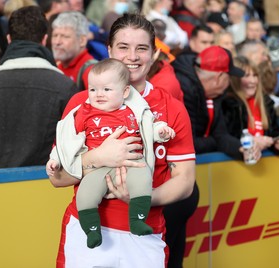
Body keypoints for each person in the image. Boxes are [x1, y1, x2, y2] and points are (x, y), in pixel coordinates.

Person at [49, 13, 196, 268]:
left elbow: (185, 181)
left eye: (141, 48)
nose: (132, 56)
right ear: (109, 50)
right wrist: (97, 158)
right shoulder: (81, 103)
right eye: (123, 47)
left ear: (154, 54)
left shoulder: (172, 108)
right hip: (86, 235)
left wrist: (143, 196)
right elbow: (57, 178)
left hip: (144, 235)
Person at [47, 58, 176, 248]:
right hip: (98, 169)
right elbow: (68, 141)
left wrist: (162, 132)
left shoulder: (132, 111)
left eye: (106, 90)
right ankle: (91, 231)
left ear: (124, 92)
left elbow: (149, 127)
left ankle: (137, 220)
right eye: (93, 89)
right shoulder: (83, 112)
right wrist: (54, 159)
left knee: (143, 180)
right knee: (85, 193)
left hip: (132, 163)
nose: (99, 94)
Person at [0, 6, 78, 169]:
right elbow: (76, 146)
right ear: (45, 40)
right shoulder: (65, 87)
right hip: (49, 187)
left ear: (9, 39)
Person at [172, 45, 262, 160]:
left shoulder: (214, 94)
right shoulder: (183, 89)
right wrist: (214, 141)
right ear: (219, 77)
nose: (230, 82)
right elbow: (188, 143)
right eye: (229, 77)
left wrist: (241, 149)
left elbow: (220, 134)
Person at [223, 56, 279, 153]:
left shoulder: (266, 103)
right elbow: (225, 139)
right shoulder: (227, 104)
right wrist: (252, 141)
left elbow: (275, 133)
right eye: (247, 76)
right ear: (235, 79)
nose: (253, 81)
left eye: (255, 75)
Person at [51, 11, 97, 90]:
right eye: (55, 35)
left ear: (82, 40)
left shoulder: (92, 70)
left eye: (65, 36)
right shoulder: (56, 66)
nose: (57, 42)